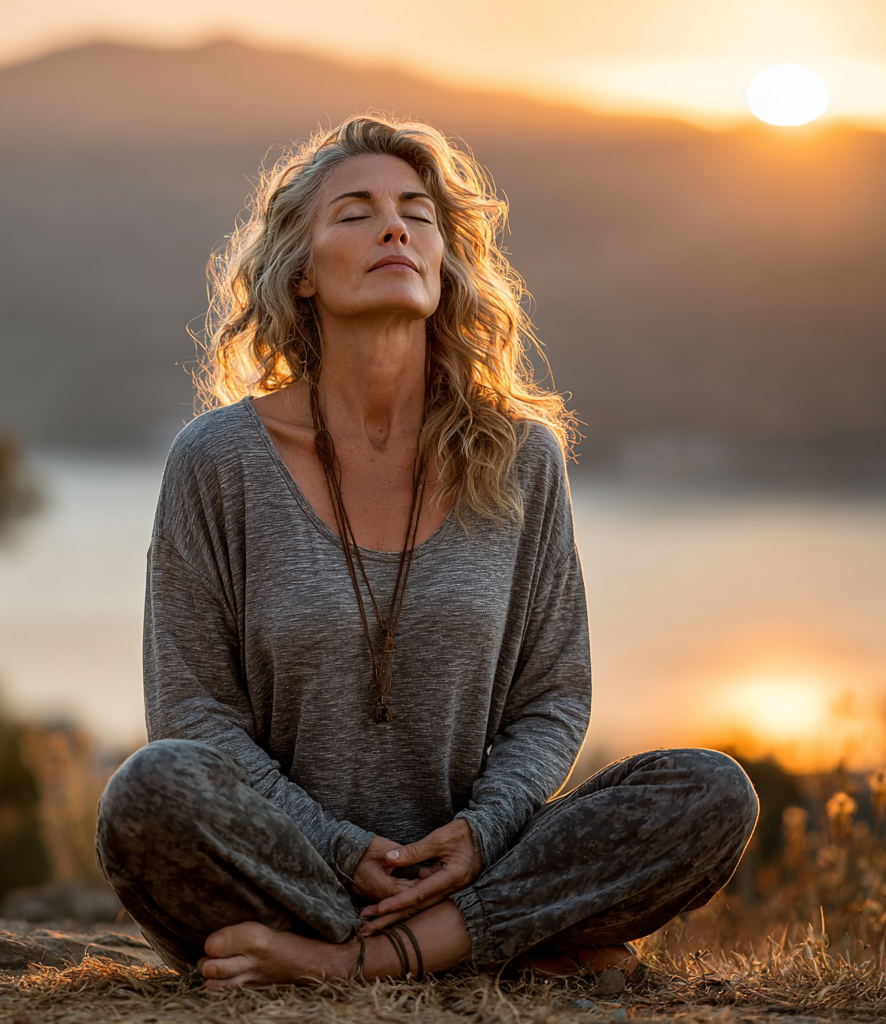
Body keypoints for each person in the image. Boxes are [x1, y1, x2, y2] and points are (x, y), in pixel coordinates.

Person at [95, 115, 758, 988]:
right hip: (286, 866)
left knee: (709, 793)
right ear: (299, 271)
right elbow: (194, 715)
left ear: (446, 263)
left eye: (417, 213)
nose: (396, 229)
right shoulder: (218, 462)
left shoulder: (520, 457)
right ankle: (477, 950)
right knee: (149, 792)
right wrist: (334, 845)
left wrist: (485, 833)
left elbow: (552, 697)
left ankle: (342, 965)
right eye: (356, 213)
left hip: (475, 863)